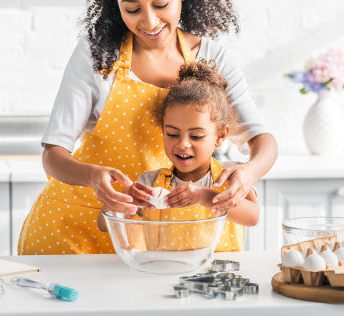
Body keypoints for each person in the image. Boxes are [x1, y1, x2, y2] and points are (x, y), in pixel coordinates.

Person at [18, 0, 277, 255]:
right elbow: (54, 156)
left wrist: (248, 173)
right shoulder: (98, 55)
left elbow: (262, 141)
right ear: (116, 1)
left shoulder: (212, 58)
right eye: (132, 8)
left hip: (155, 239)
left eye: (161, 3)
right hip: (76, 229)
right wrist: (95, 178)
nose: (150, 21)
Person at [97, 60, 259, 251]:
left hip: (219, 278)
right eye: (172, 134)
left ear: (220, 135)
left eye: (196, 136)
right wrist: (124, 199)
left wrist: (205, 196)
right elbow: (103, 224)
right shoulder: (150, 182)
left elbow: (252, 217)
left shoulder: (230, 177)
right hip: (165, 274)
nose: (182, 144)